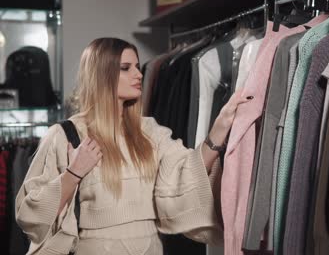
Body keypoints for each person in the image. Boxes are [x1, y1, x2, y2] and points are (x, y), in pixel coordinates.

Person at [15, 38, 252, 255]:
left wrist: (219, 127)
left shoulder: (149, 131)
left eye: (137, 66)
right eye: (126, 68)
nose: (139, 74)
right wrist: (74, 172)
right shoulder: (65, 134)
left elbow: (187, 173)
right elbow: (31, 215)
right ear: (101, 74)